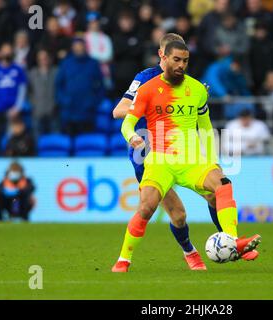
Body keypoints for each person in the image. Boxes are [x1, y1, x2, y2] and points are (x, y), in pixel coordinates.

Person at [112, 41, 262, 272]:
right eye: (177, 60)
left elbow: (206, 128)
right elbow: (126, 121)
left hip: (191, 160)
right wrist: (132, 137)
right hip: (159, 160)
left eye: (185, 61)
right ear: (163, 57)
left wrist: (213, 161)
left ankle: (233, 240)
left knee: (222, 185)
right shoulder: (147, 86)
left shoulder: (198, 89)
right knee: (155, 210)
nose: (181, 65)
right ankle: (123, 260)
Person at [55, 36, 104, 136]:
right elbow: (58, 85)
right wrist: (64, 100)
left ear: (85, 47)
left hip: (88, 112)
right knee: (69, 145)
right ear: (72, 48)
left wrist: (94, 102)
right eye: (76, 46)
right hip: (69, 112)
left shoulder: (93, 63)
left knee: (87, 143)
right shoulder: (66, 63)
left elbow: (101, 85)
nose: (78, 49)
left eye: (80, 46)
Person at [0, 43, 27, 155]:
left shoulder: (18, 69)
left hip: (13, 110)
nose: (7, 53)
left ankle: (10, 156)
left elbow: (22, 89)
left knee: (12, 136)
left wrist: (18, 107)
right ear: (1, 53)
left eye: (9, 51)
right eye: (5, 51)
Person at [28, 49, 59, 137]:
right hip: (38, 112)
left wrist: (56, 103)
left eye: (45, 58)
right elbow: (29, 91)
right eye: (40, 59)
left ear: (49, 59)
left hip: (53, 112)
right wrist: (33, 103)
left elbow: (61, 89)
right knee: (38, 138)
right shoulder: (32, 73)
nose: (43, 61)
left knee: (55, 138)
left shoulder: (56, 72)